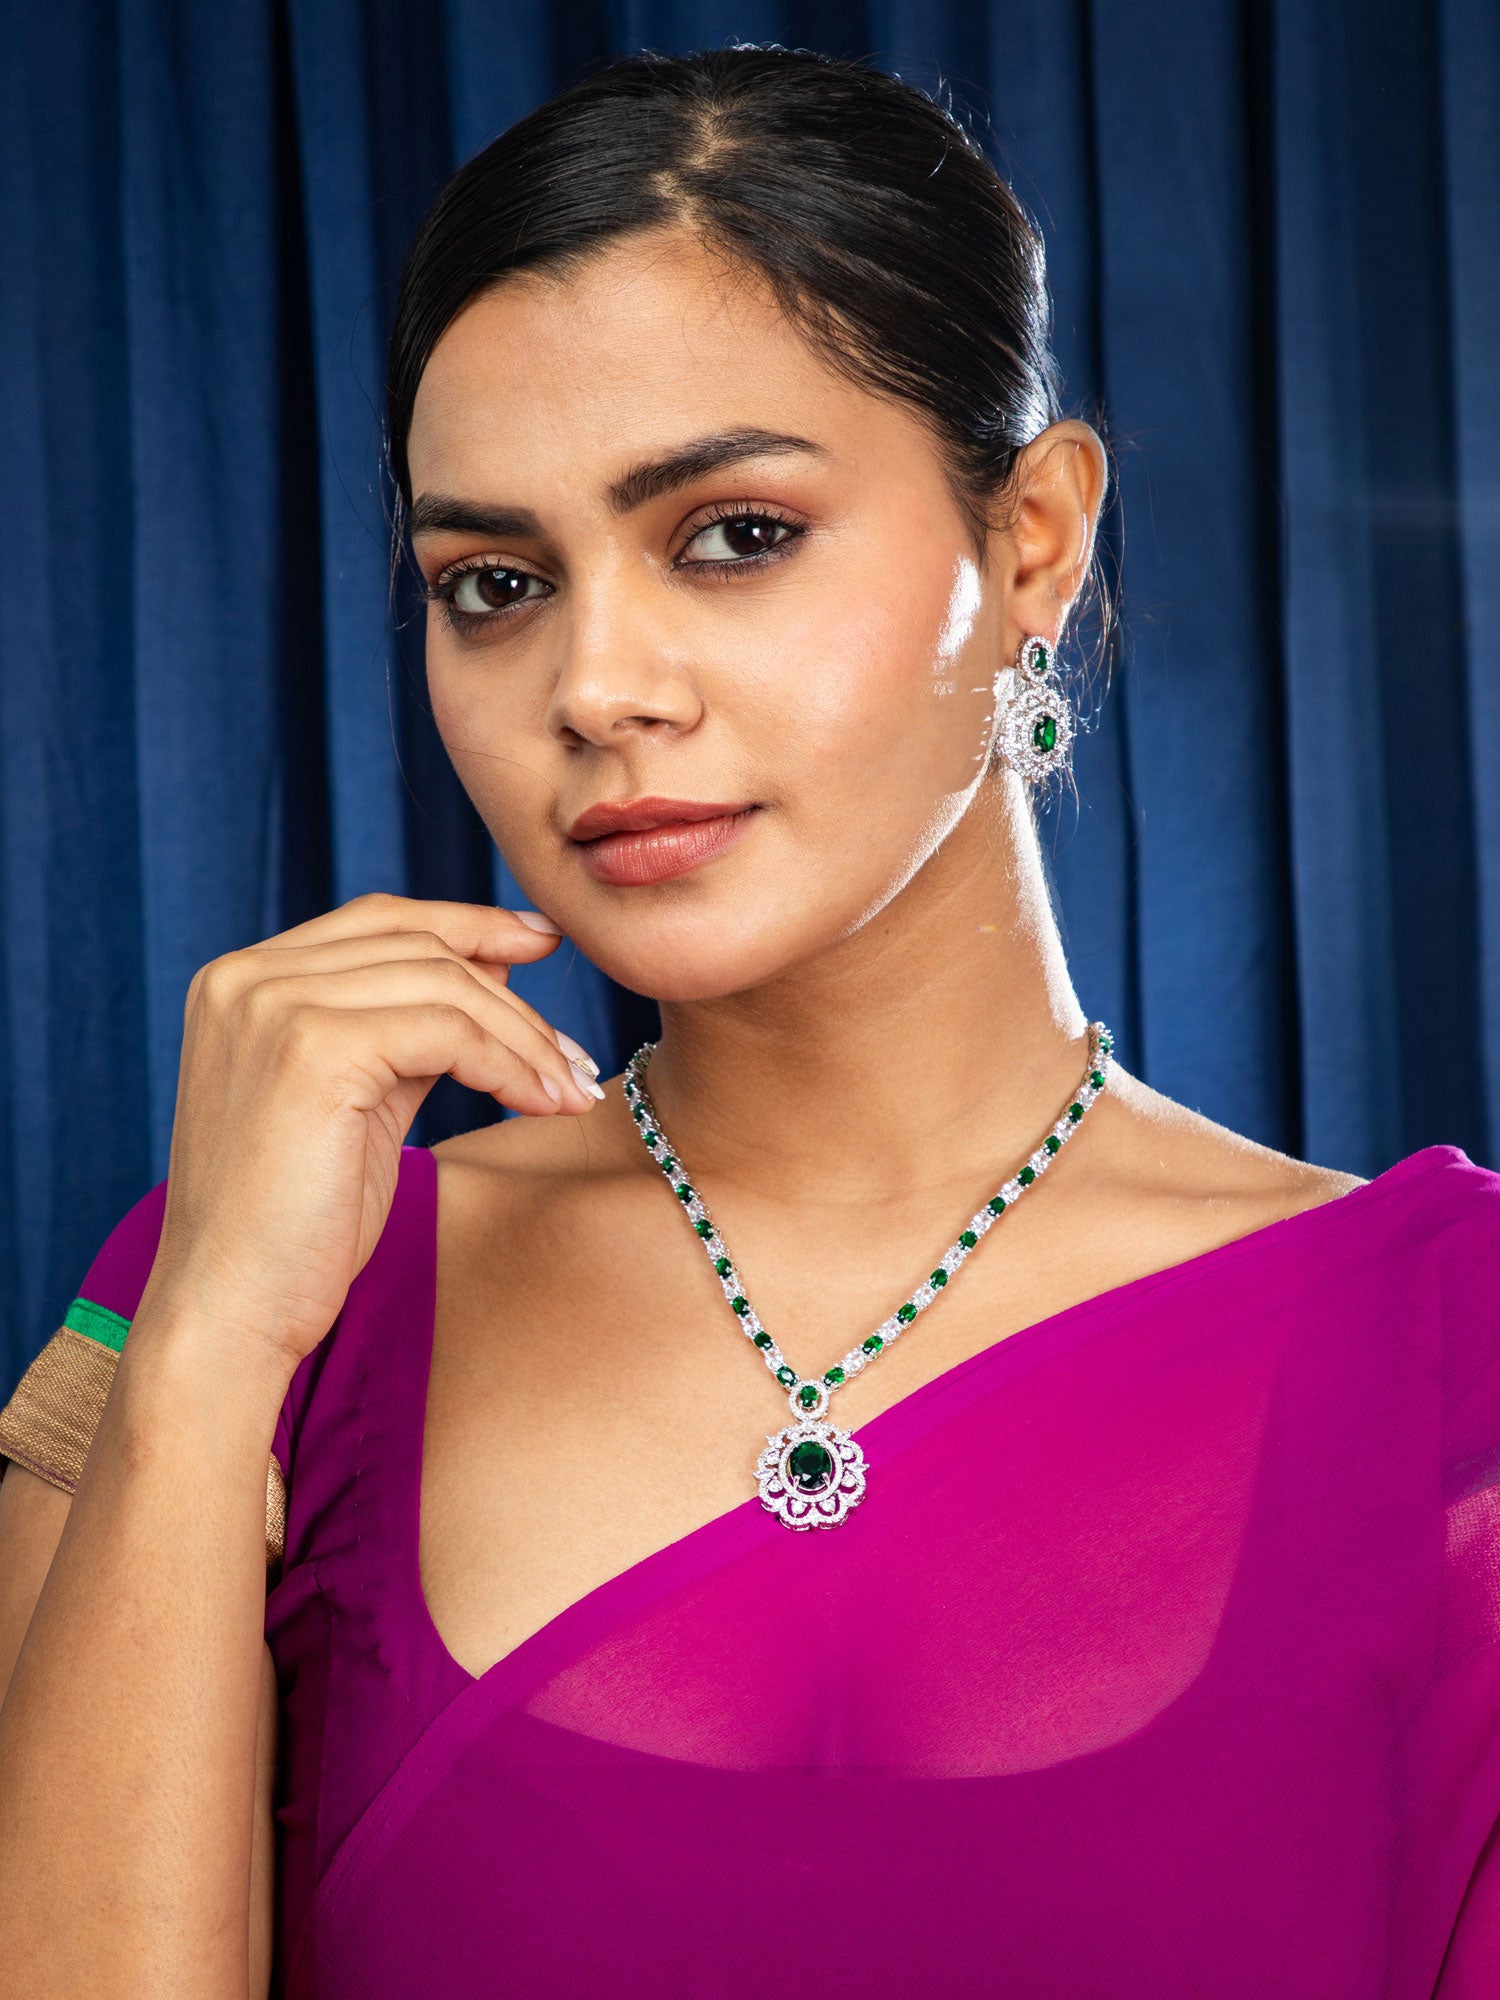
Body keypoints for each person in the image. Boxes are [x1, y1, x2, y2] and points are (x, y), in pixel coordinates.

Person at [1, 41, 1496, 2000]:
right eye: (495, 580)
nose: (598, 683)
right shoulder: (262, 1286)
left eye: (734, 535)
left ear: (1032, 539)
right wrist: (204, 1353)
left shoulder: (1446, 1351)